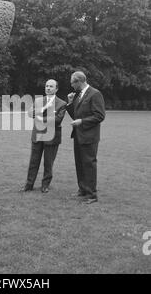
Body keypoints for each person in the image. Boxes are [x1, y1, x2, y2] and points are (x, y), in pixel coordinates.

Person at [66, 71, 105, 204]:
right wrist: (71, 102)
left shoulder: (95, 94)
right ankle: (82, 190)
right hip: (78, 135)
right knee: (80, 164)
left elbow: (99, 116)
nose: (72, 86)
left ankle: (92, 195)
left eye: (72, 83)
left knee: (89, 164)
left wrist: (82, 121)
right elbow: (74, 115)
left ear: (79, 81)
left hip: (89, 136)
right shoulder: (77, 96)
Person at [22, 79, 66, 193]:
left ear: (56, 89)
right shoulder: (38, 101)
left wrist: (41, 118)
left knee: (48, 163)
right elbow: (30, 113)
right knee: (33, 162)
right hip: (38, 135)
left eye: (51, 86)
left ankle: (45, 186)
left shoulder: (62, 104)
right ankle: (29, 185)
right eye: (47, 86)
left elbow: (57, 120)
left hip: (52, 137)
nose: (48, 88)